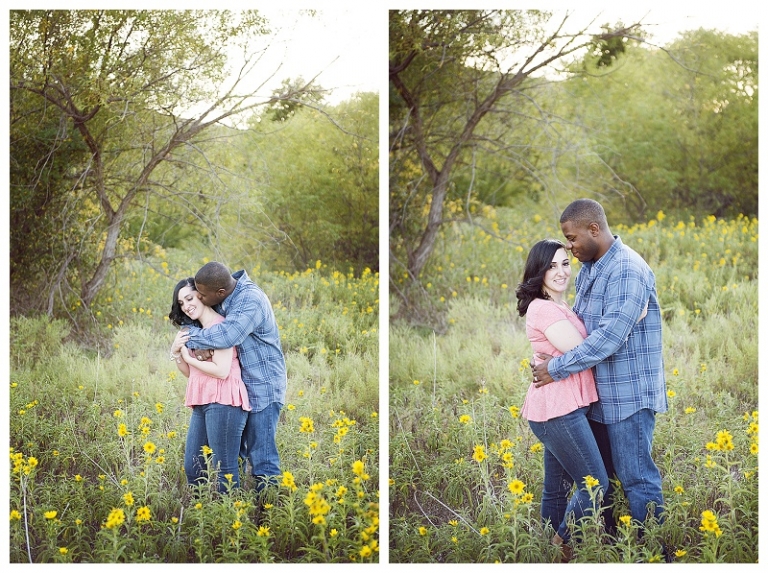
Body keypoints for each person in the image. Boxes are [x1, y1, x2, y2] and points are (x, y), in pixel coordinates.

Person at [532, 198, 667, 534]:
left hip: (628, 395)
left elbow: (608, 338)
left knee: (637, 479)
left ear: (594, 229)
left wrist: (556, 367)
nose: (569, 246)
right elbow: (581, 327)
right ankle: (611, 544)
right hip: (598, 395)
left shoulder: (626, 269)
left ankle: (651, 550)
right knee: (603, 480)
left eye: (572, 238)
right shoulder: (593, 267)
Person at [516, 239, 610, 561]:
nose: (560, 272)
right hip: (557, 412)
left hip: (564, 408)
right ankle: (562, 543)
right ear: (538, 271)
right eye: (551, 266)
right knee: (595, 484)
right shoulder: (542, 308)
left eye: (565, 263)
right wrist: (622, 323)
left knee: (556, 488)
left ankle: (547, 553)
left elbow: (578, 347)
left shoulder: (560, 306)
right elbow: (582, 349)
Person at [179, 262, 287, 494]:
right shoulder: (223, 296)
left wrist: (190, 338)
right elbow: (212, 331)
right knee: (234, 455)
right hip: (238, 389)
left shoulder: (250, 299)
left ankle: (268, 511)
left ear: (219, 292)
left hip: (263, 387)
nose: (200, 299)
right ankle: (234, 506)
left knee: (262, 458)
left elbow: (227, 336)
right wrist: (198, 341)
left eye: (202, 296)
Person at [168, 277, 251, 492]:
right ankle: (201, 510)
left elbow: (222, 370)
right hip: (202, 401)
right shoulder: (194, 331)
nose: (186, 306)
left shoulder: (221, 326)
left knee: (225, 468)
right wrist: (176, 352)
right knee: (193, 467)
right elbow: (190, 374)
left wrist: (189, 357)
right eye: (181, 303)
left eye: (189, 298)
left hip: (224, 401)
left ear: (202, 295)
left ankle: (232, 512)